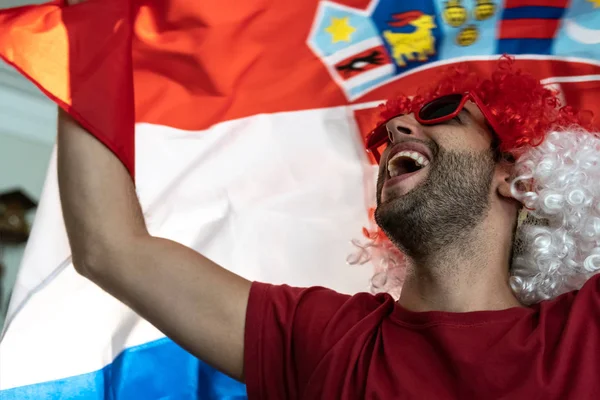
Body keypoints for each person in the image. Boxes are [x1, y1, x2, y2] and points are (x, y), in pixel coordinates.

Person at [58, 4, 600, 397]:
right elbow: (111, 248)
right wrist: (89, 37)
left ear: (517, 177)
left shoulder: (584, 335)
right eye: (383, 136)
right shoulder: (323, 340)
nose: (398, 128)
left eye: (446, 112)